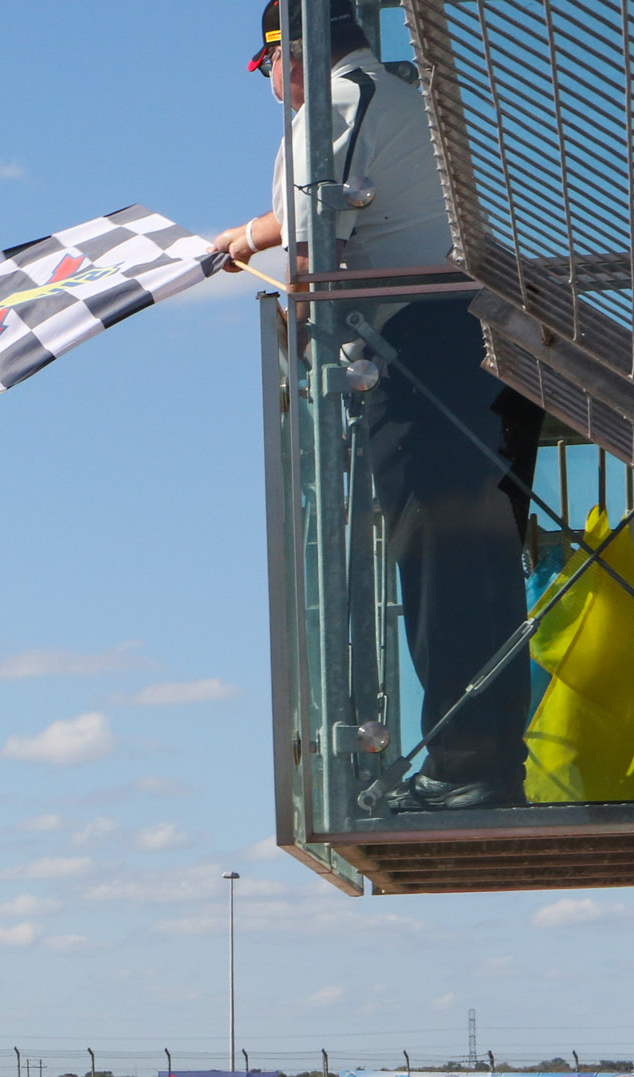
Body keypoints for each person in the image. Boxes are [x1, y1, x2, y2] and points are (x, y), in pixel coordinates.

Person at [214, 0, 544, 812]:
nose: (274, 89)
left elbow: (312, 223)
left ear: (290, 52)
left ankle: (468, 772)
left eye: (266, 70)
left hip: (438, 351)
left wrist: (243, 241)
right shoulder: (392, 97)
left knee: (446, 566)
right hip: (477, 351)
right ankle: (483, 764)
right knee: (473, 567)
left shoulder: (343, 97)